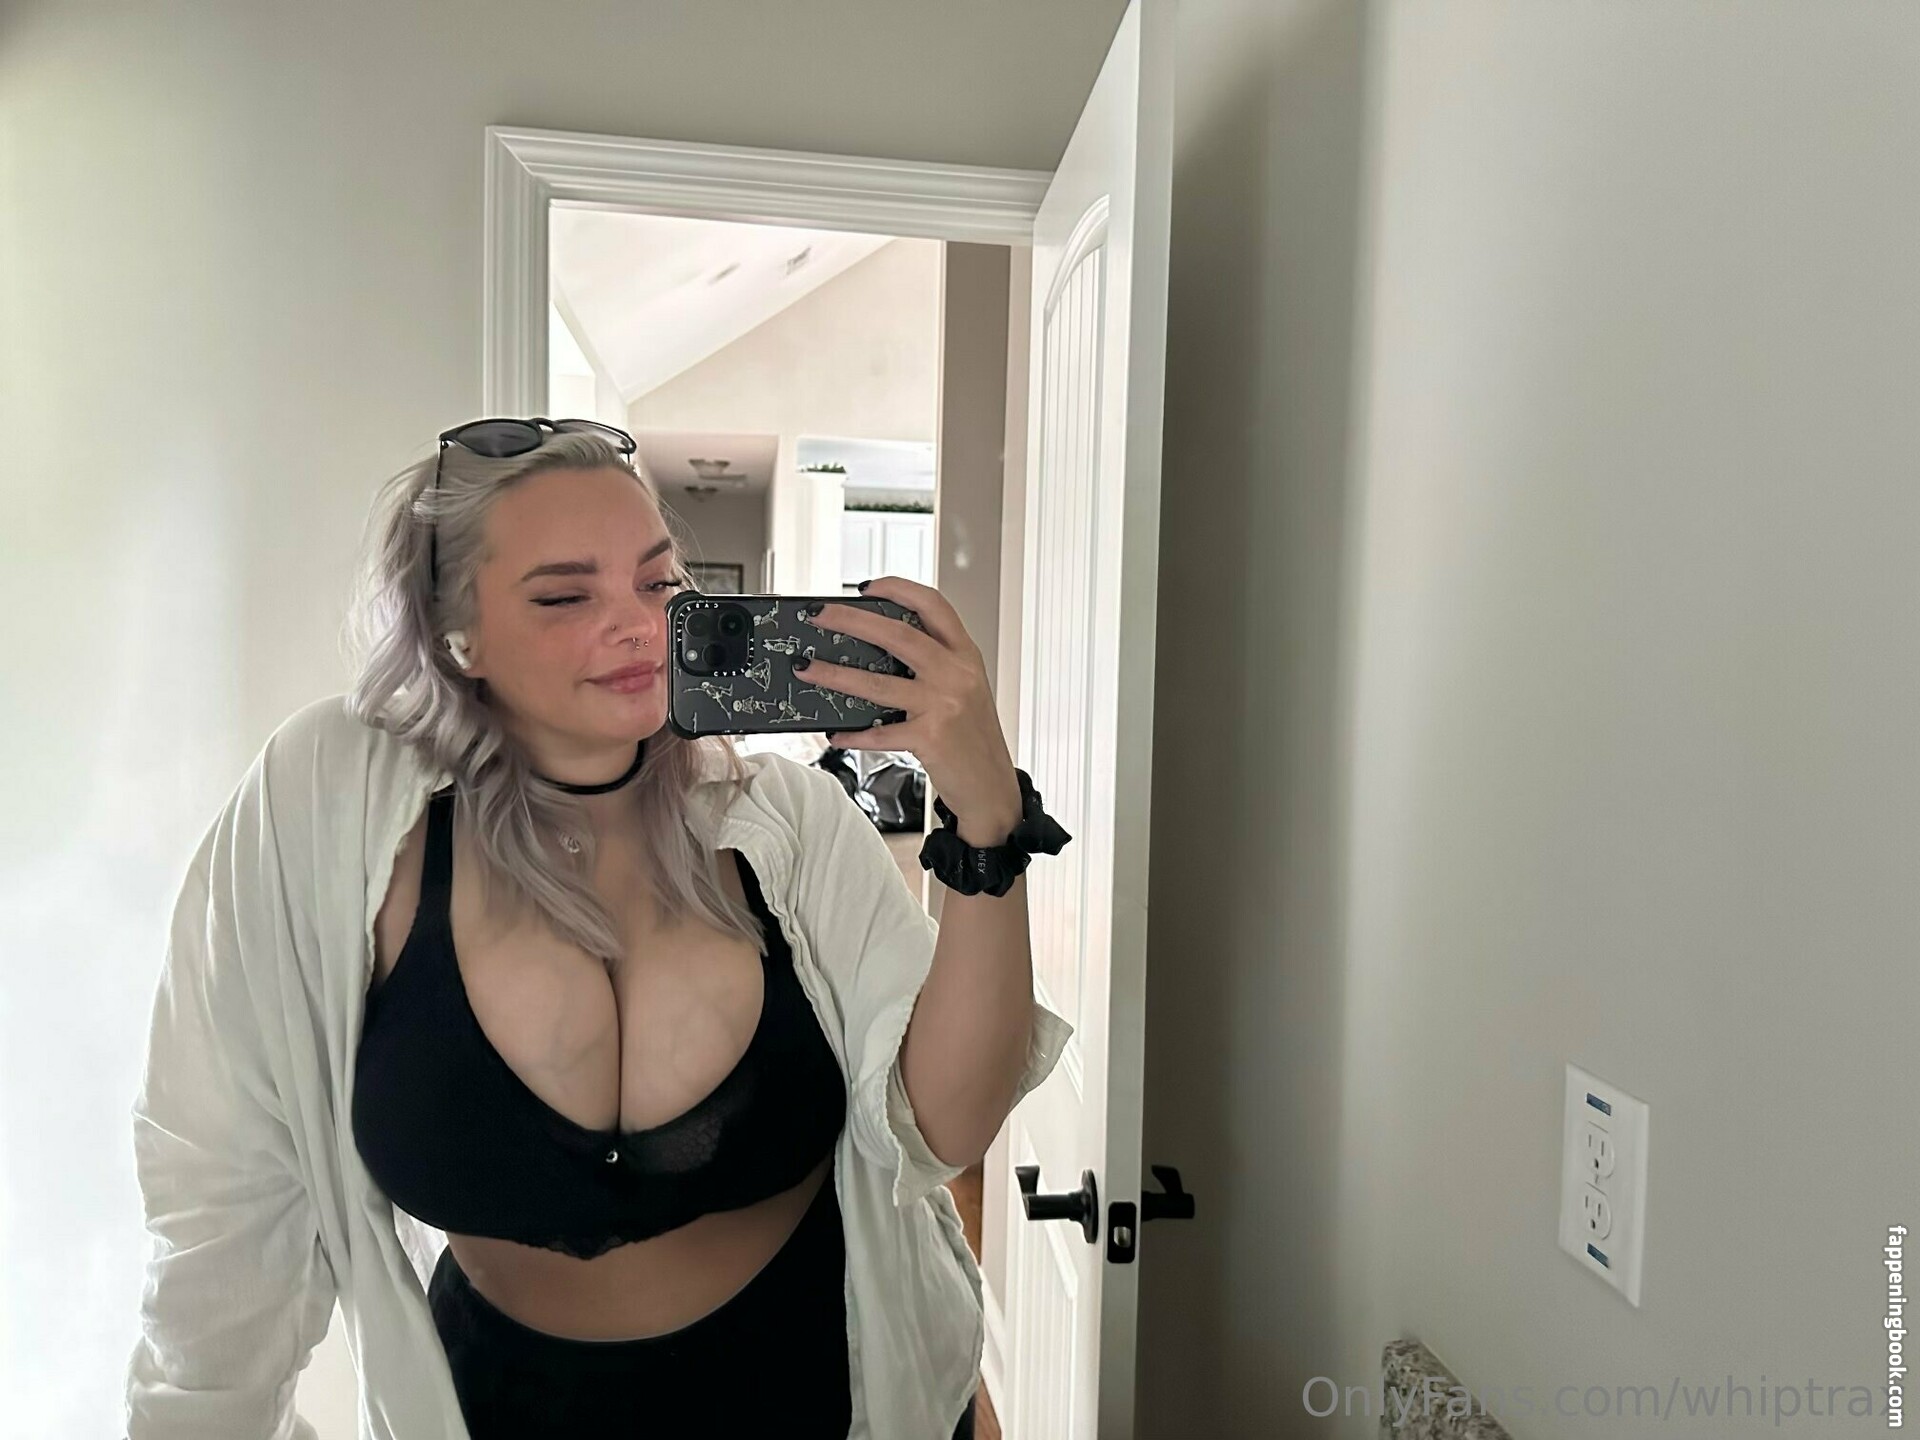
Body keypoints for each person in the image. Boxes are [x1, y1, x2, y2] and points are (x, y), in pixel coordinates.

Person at [125, 419, 1074, 1438]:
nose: (638, 625)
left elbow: (946, 1128)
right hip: (494, 1407)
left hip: (824, 1391)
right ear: (456, 633)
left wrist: (984, 808)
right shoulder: (333, 821)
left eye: (659, 583)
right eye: (565, 596)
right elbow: (220, 1199)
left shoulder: (790, 825)